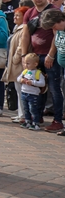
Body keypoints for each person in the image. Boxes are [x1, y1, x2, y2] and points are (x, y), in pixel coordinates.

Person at [21, 0, 62, 132]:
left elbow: (57, 34)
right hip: (35, 56)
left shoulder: (54, 11)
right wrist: (24, 55)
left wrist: (51, 54)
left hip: (51, 56)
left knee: (54, 88)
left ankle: (58, 120)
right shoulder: (29, 13)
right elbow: (25, 35)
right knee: (37, 87)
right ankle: (36, 116)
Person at [41, 8, 65, 136]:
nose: (53, 28)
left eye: (53, 25)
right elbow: (55, 41)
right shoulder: (58, 30)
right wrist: (50, 55)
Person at [4, 7, 29, 122]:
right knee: (18, 89)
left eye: (18, 15)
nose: (15, 17)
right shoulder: (16, 28)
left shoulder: (24, 28)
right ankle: (20, 114)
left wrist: (15, 58)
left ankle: (23, 115)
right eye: (15, 15)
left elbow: (20, 46)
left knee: (21, 89)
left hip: (19, 63)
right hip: (14, 62)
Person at [18, 54, 46, 130]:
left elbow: (42, 83)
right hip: (24, 93)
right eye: (25, 63)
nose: (25, 65)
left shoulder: (38, 73)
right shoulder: (25, 71)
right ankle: (28, 121)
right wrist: (21, 80)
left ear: (35, 64)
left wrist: (33, 82)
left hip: (33, 94)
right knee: (26, 109)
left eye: (28, 63)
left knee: (33, 109)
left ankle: (36, 123)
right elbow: (18, 78)